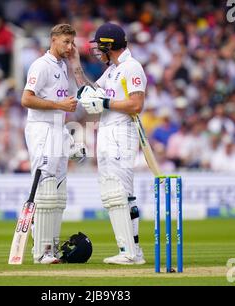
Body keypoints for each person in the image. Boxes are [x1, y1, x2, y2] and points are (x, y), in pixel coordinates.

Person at [69, 23, 146, 265]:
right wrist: (75, 65)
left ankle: (129, 252)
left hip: (122, 133)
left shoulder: (132, 68)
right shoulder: (113, 69)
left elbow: (135, 105)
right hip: (108, 131)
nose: (97, 50)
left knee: (118, 194)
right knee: (121, 195)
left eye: (99, 46)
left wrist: (104, 104)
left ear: (110, 45)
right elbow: (92, 92)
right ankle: (133, 251)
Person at [21, 24, 85, 264]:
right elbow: (26, 99)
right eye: (65, 42)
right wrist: (60, 106)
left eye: (72, 43)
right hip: (41, 130)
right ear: (53, 40)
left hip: (57, 130)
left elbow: (66, 101)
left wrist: (70, 140)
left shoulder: (62, 66)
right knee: (46, 188)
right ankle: (40, 252)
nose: (69, 47)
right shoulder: (41, 65)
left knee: (58, 193)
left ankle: (51, 247)